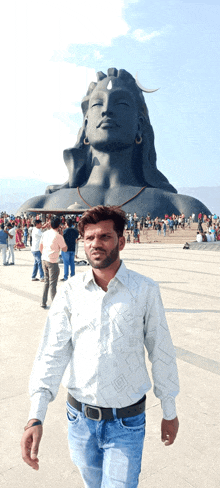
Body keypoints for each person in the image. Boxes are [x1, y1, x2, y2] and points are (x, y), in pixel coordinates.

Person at [20, 205, 179, 487]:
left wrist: (169, 409)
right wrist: (36, 415)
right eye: (89, 237)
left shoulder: (144, 290)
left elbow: (161, 351)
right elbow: (52, 353)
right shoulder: (70, 291)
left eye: (105, 236)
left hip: (126, 424)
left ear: (122, 241)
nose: (95, 243)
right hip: (79, 422)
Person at [17, 68, 210, 219]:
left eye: (122, 104)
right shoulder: (38, 206)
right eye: (97, 103)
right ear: (85, 125)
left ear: (140, 125)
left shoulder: (182, 207)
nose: (107, 110)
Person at [39, 216, 67, 308]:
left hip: (44, 259)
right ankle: (55, 304)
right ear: (59, 225)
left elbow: (40, 247)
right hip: (53, 261)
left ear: (50, 225)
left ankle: (43, 302)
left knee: (46, 281)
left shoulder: (45, 233)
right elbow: (65, 249)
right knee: (53, 284)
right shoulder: (58, 236)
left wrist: (45, 254)